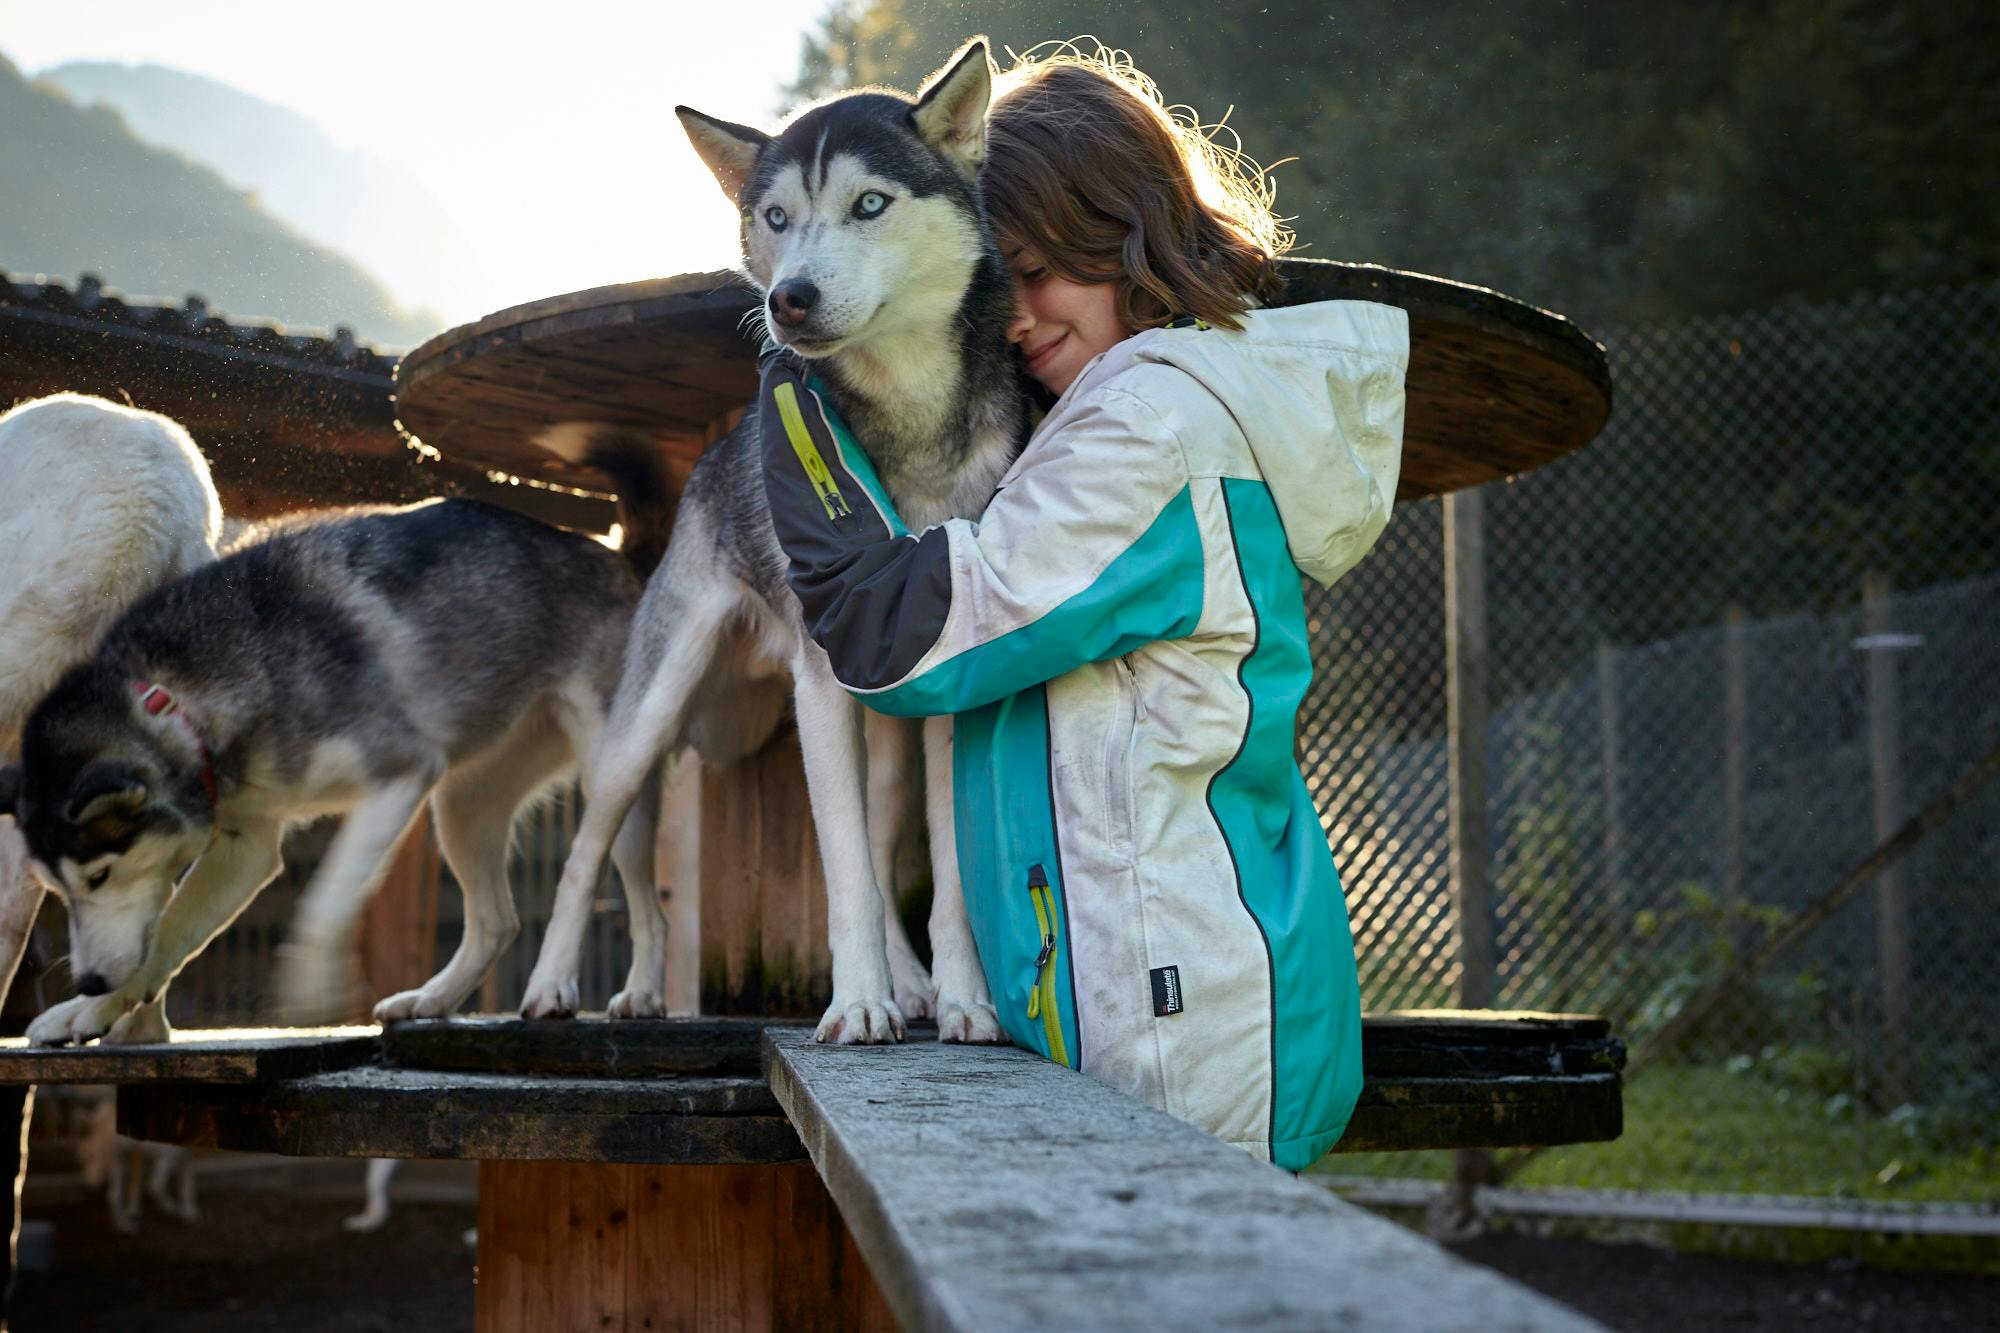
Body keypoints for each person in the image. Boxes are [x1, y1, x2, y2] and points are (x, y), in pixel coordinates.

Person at [759, 46, 1407, 1171]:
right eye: (994, 281)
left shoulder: (1146, 430)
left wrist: (797, 426)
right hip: (1167, 988)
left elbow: (903, 641)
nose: (1011, 314)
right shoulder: (1156, 401)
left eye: (1035, 269)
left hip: (1177, 1024)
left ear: (1122, 232)